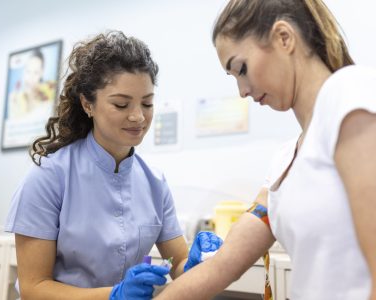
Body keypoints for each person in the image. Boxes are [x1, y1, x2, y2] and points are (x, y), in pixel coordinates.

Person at [155, 0, 376, 299]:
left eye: (241, 69)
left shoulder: (349, 93)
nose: (242, 91)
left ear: (284, 37)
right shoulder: (286, 163)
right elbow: (221, 267)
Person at [4, 31, 222, 300]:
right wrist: (113, 295)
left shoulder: (154, 182)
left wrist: (195, 265)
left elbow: (178, 263)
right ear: (88, 104)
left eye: (147, 103)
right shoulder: (49, 177)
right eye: (121, 104)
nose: (138, 116)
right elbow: (33, 288)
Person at [8, 48, 56, 119]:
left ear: (41, 73)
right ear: (24, 71)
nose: (31, 77)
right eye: (28, 71)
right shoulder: (14, 97)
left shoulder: (50, 95)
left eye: (36, 72)